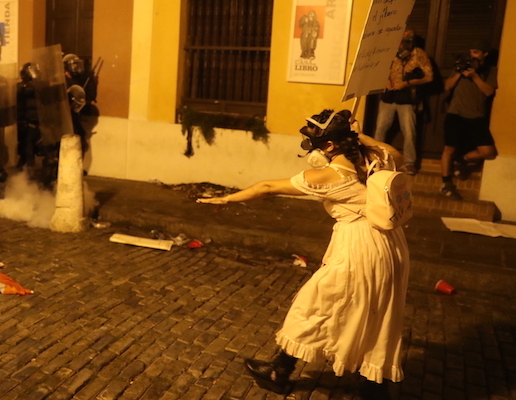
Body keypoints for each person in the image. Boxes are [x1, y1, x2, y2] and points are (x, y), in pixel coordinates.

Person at [197, 109, 410, 399]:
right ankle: (375, 384)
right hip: (392, 244)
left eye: (317, 144)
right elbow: (396, 152)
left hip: (359, 247)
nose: (314, 149)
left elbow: (268, 187)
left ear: (331, 146)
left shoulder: (330, 175)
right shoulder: (378, 157)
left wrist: (227, 198)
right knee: (380, 311)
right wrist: (358, 135)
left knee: (315, 305)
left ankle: (280, 371)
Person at [439, 40, 498, 200]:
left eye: (477, 52)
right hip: (455, 114)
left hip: (476, 116)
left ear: (485, 54)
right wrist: (459, 72)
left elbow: (488, 92)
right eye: (472, 51)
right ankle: (446, 183)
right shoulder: (461, 66)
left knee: (488, 151)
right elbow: (447, 86)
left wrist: (475, 76)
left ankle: (462, 159)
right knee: (448, 150)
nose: (473, 55)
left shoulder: (490, 70)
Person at [373, 30, 433, 176]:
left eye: (407, 42)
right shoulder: (389, 51)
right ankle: (375, 158)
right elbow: (378, 69)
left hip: (406, 98)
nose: (403, 45)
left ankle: (410, 162)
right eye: (401, 42)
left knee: (409, 131)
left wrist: (407, 83)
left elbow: (429, 77)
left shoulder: (418, 53)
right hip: (389, 96)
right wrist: (385, 80)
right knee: (380, 128)